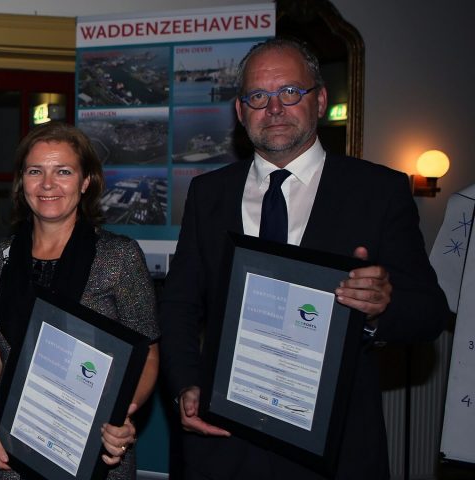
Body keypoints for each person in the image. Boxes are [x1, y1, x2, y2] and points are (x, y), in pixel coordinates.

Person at [159, 37, 449, 479]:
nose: (274, 108)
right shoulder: (208, 193)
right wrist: (187, 384)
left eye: (290, 92)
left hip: (335, 447)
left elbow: (429, 312)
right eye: (258, 96)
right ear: (240, 111)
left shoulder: (378, 191)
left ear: (321, 101)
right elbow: (179, 305)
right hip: (224, 443)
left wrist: (380, 307)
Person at [0, 121, 160, 480]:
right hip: (11, 452)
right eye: (35, 171)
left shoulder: (120, 257)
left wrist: (123, 413)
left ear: (86, 182)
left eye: (63, 171)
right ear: (22, 182)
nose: (47, 184)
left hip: (95, 448)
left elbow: (146, 353)